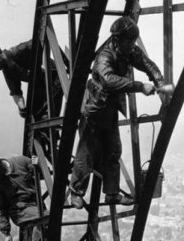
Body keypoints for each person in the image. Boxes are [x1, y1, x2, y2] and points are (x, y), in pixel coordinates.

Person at [69, 16, 174, 208]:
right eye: (130, 41)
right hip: (94, 111)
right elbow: (109, 81)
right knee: (86, 154)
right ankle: (75, 192)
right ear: (119, 40)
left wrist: (159, 82)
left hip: (109, 110)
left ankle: (112, 194)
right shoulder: (104, 56)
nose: (133, 45)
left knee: (113, 151)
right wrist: (140, 86)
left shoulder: (127, 49)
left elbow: (146, 63)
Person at [0, 39, 66, 120]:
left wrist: (63, 61)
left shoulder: (18, 51)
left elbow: (44, 39)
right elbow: (16, 93)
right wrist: (21, 107)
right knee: (39, 120)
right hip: (42, 86)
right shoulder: (8, 72)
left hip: (55, 77)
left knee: (47, 118)